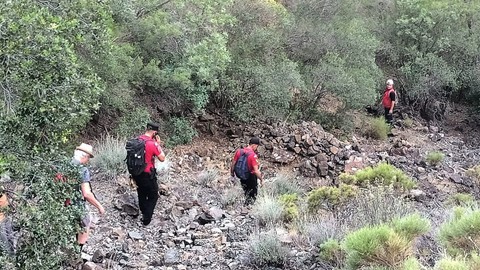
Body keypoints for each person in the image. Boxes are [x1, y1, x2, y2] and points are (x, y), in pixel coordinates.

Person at [72, 143, 105, 250]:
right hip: (76, 205)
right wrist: (99, 206)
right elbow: (86, 193)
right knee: (85, 223)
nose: (88, 160)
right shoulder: (82, 170)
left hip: (61, 203)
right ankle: (77, 253)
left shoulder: (64, 165)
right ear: (84, 156)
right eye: (88, 158)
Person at [131, 122, 165, 226]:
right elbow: (162, 158)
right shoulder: (152, 143)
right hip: (147, 173)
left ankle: (143, 211)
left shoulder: (137, 141)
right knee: (153, 195)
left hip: (136, 172)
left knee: (141, 191)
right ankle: (146, 219)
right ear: (155, 132)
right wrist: (158, 145)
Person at [230, 137, 264, 205]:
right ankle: (249, 208)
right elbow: (256, 171)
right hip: (250, 177)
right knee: (253, 194)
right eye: (257, 146)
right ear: (253, 145)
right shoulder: (253, 156)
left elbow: (233, 163)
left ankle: (245, 205)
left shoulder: (239, 151)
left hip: (241, 175)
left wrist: (232, 172)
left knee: (246, 191)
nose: (256, 148)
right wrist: (261, 179)